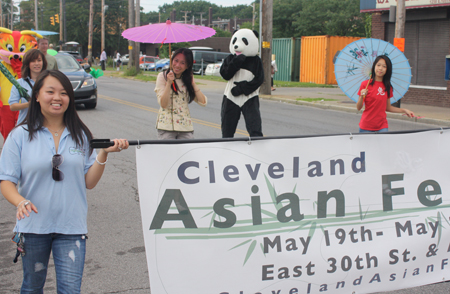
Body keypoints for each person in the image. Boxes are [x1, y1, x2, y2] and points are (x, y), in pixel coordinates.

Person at [0, 70, 129, 293]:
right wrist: (20, 201)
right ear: (37, 96)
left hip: (71, 228)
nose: (57, 98)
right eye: (50, 92)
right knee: (31, 287)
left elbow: (89, 182)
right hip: (33, 228)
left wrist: (103, 154)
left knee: (70, 290)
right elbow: (6, 181)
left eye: (63, 93)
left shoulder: (81, 135)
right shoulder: (19, 135)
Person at [154, 48, 207, 140]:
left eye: (183, 63)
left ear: (188, 65)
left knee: (187, 153)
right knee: (168, 154)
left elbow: (203, 102)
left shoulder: (187, 79)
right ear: (171, 60)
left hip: (185, 128)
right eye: (176, 61)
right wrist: (169, 83)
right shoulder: (162, 77)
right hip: (166, 128)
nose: (177, 65)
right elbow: (163, 104)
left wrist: (193, 83)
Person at [357, 55, 414, 133]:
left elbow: (388, 107)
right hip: (366, 126)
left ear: (387, 69)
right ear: (374, 67)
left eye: (384, 66)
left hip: (382, 126)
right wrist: (361, 96)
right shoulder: (365, 85)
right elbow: (358, 107)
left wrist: (404, 110)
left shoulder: (388, 87)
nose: (380, 68)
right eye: (378, 65)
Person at [9, 49, 47, 126]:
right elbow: (12, 106)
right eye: (33, 61)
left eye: (39, 60)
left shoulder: (49, 81)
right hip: (26, 125)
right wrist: (29, 104)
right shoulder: (20, 83)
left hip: (45, 125)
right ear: (27, 64)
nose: (37, 63)